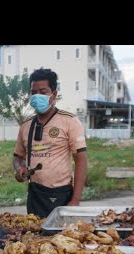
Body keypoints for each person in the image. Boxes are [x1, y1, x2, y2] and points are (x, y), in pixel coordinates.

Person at [13, 68, 88, 218]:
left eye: (43, 92)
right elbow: (17, 156)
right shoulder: (26, 125)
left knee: (62, 239)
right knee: (34, 238)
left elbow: (81, 160)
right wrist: (19, 168)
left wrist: (75, 200)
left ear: (54, 94)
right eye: (34, 93)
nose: (37, 96)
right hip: (34, 194)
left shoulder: (69, 121)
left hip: (61, 194)